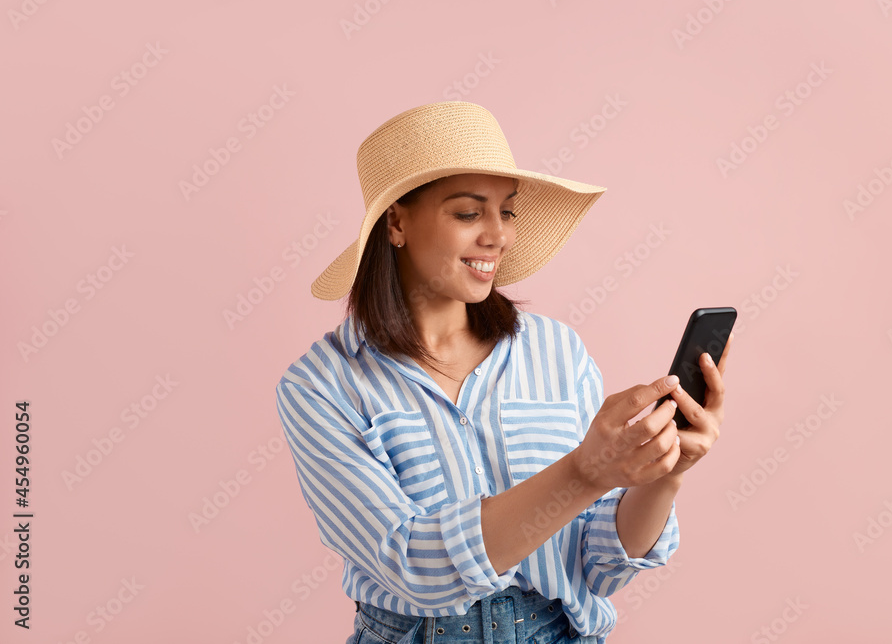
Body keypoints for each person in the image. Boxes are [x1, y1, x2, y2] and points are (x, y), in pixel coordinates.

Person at [275, 101, 730, 644]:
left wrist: (667, 471)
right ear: (396, 222)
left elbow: (601, 567)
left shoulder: (557, 351)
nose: (499, 235)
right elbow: (412, 566)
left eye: (507, 211)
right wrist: (585, 472)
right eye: (469, 214)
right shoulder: (321, 386)